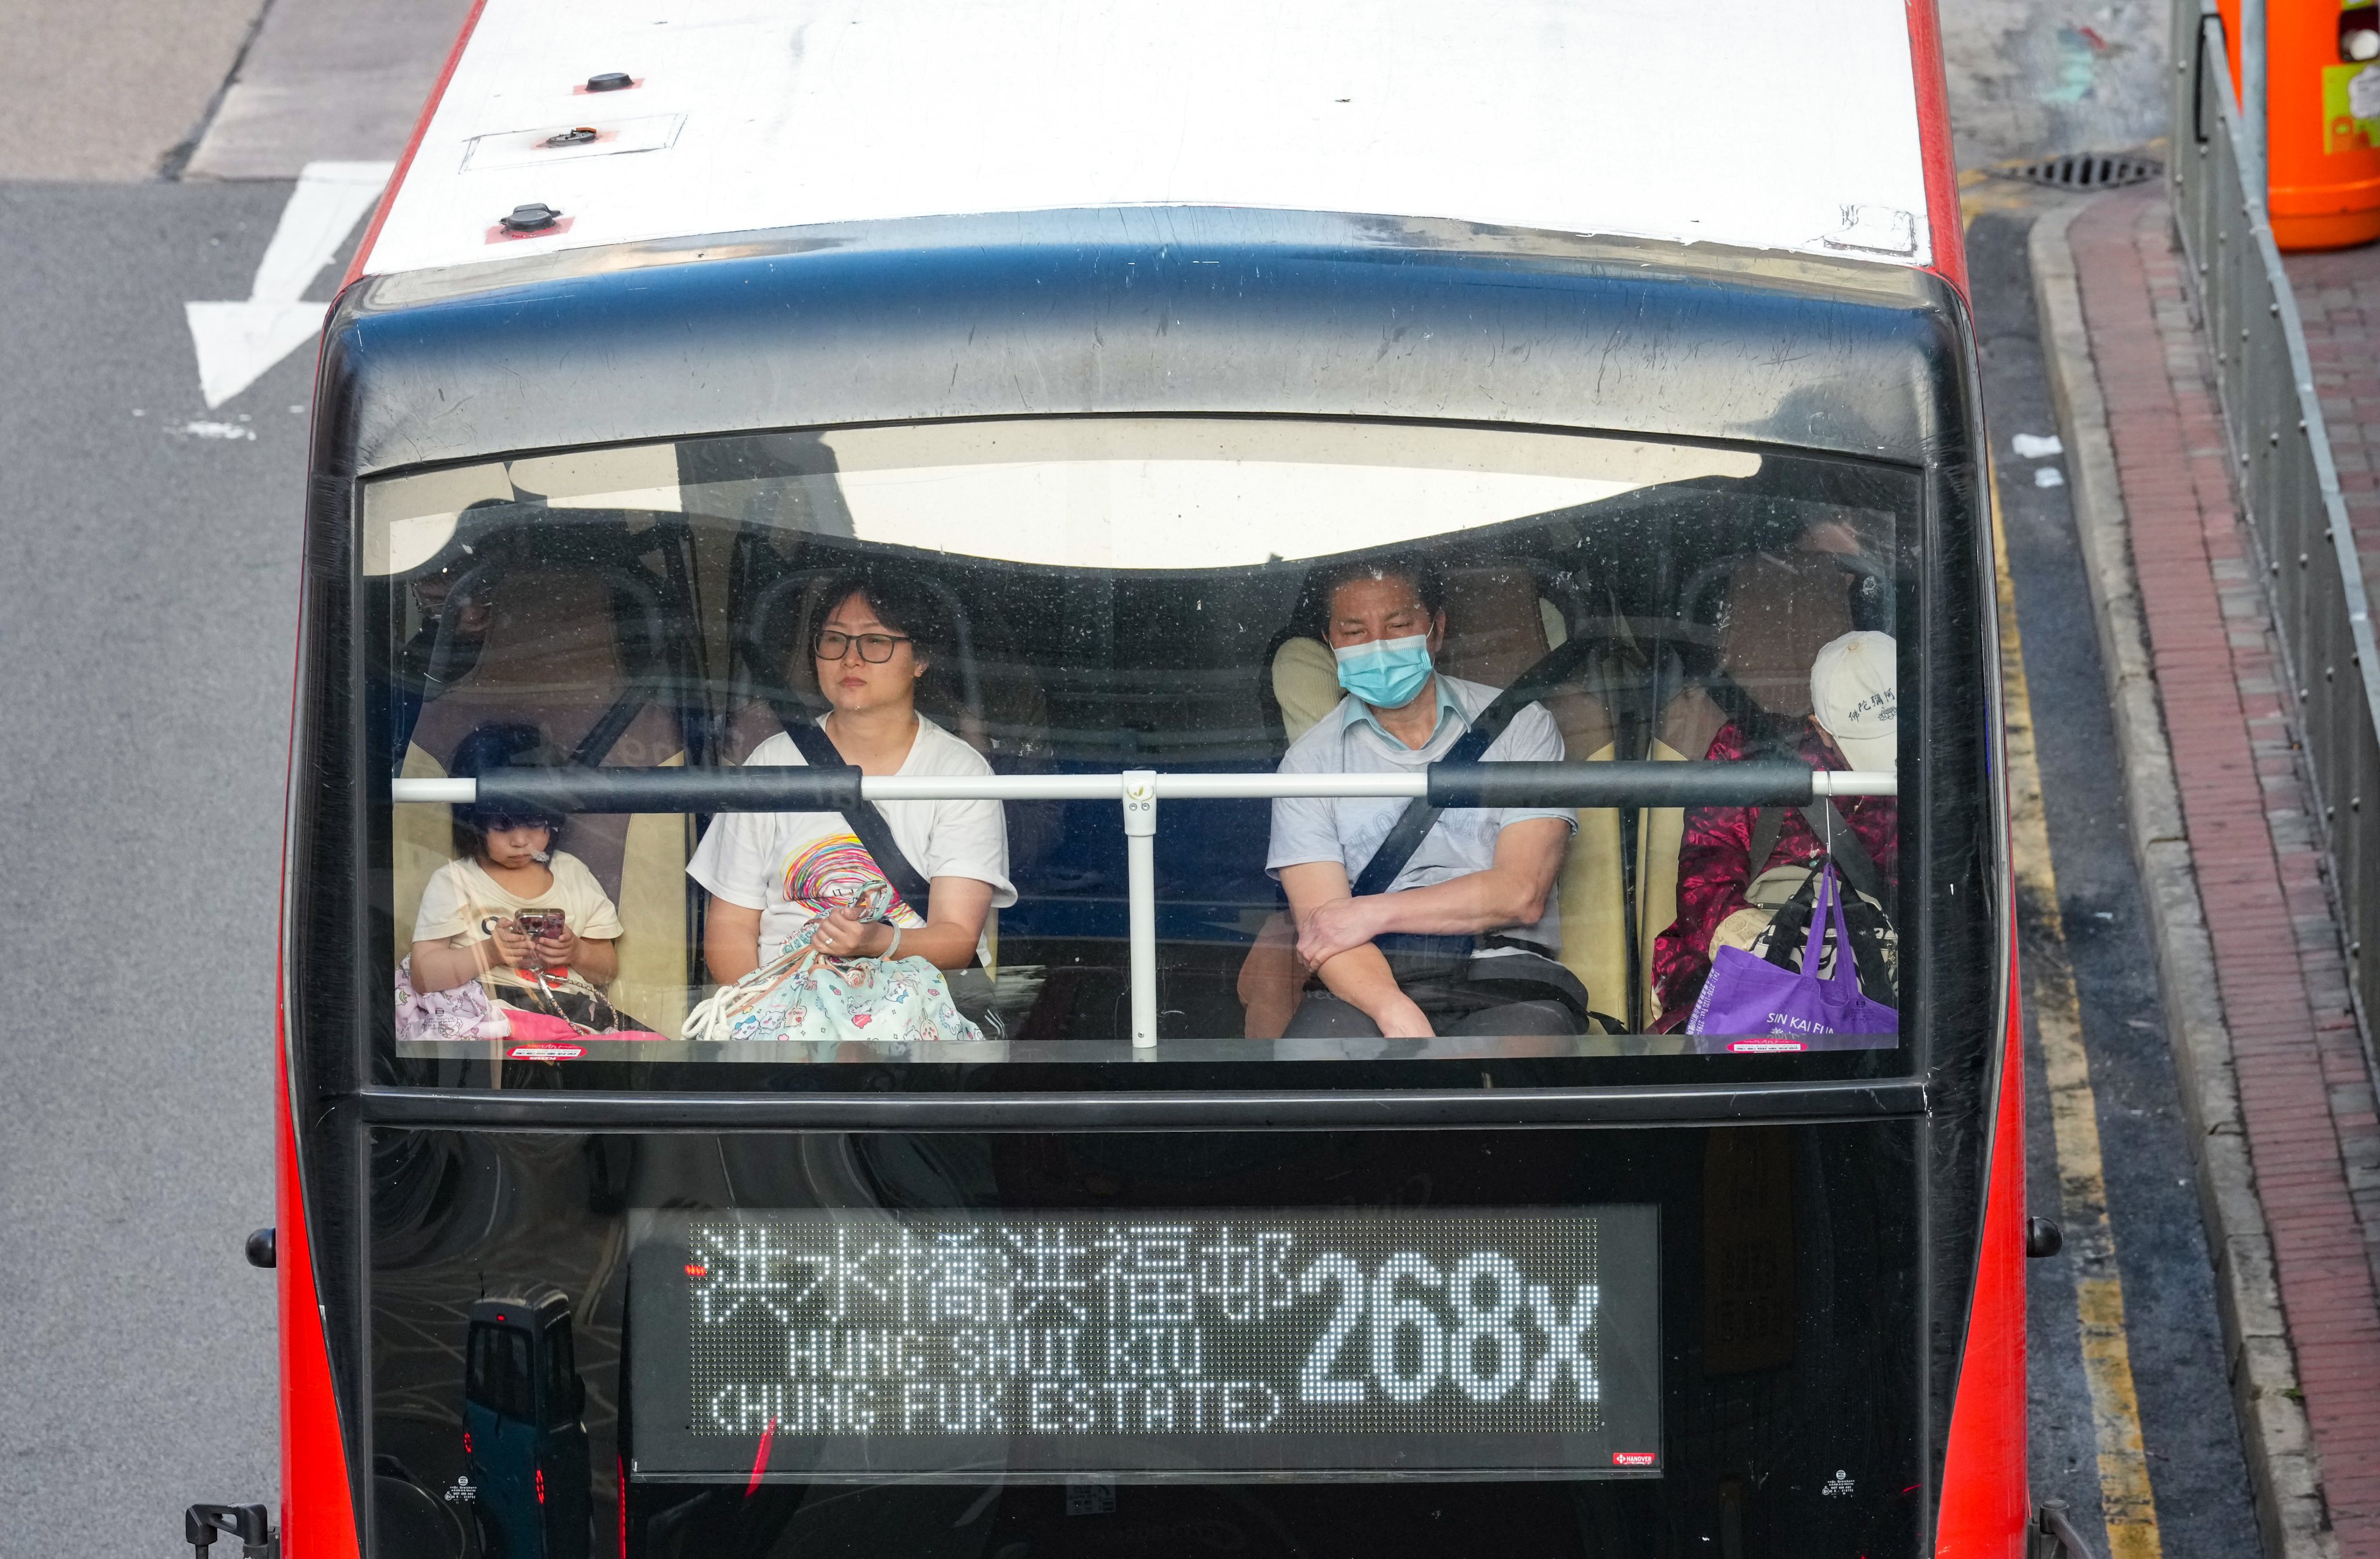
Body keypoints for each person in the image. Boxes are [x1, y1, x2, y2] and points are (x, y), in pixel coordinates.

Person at [1264, 554, 1580, 1040]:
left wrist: (1371, 911)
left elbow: (1522, 894)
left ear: (1436, 630)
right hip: (1371, 975)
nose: (1378, 646)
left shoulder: (1521, 726)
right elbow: (1324, 930)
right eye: (1354, 632)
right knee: (1314, 1069)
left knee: (1499, 1084)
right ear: (1331, 643)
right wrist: (1394, 1011)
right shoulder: (1308, 764)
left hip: (1505, 972)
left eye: (1398, 625)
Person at [689, 569, 1014, 982]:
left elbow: (955, 939)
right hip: (781, 1023)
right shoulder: (770, 764)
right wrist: (768, 1019)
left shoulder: (960, 774)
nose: (851, 659)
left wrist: (876, 942)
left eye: (876, 641)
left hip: (913, 1020)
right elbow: (730, 929)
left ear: (921, 660)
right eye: (835, 639)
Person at [1653, 629, 1899, 1031]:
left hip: (1881, 975)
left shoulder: (1937, 763)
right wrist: (1788, 960)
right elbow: (1705, 876)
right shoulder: (1750, 753)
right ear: (1820, 728)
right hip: (1755, 965)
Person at [409, 723, 623, 993]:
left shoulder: (574, 875)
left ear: (553, 818)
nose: (520, 841)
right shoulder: (455, 881)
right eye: (503, 825)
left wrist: (578, 952)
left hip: (566, 1022)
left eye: (534, 822)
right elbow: (422, 975)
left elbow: (607, 971)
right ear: (473, 822)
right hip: (485, 1020)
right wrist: (488, 953)